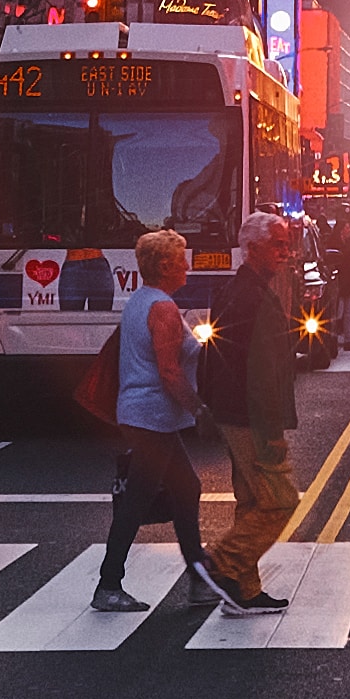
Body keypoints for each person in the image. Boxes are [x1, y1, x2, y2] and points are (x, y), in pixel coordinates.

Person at [91, 226, 242, 613]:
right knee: (139, 501)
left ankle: (197, 579)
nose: (187, 265)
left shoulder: (140, 300)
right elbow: (169, 371)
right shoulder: (162, 309)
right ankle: (110, 585)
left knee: (186, 488)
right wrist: (199, 409)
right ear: (164, 265)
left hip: (145, 416)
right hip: (151, 417)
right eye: (181, 259)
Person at [201, 211, 310, 599]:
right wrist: (272, 431)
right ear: (252, 249)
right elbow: (262, 372)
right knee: (280, 501)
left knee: (250, 501)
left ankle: (244, 590)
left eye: (287, 243)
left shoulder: (236, 289)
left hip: (232, 412)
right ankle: (220, 563)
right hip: (251, 417)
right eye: (277, 244)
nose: (286, 251)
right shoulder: (255, 297)